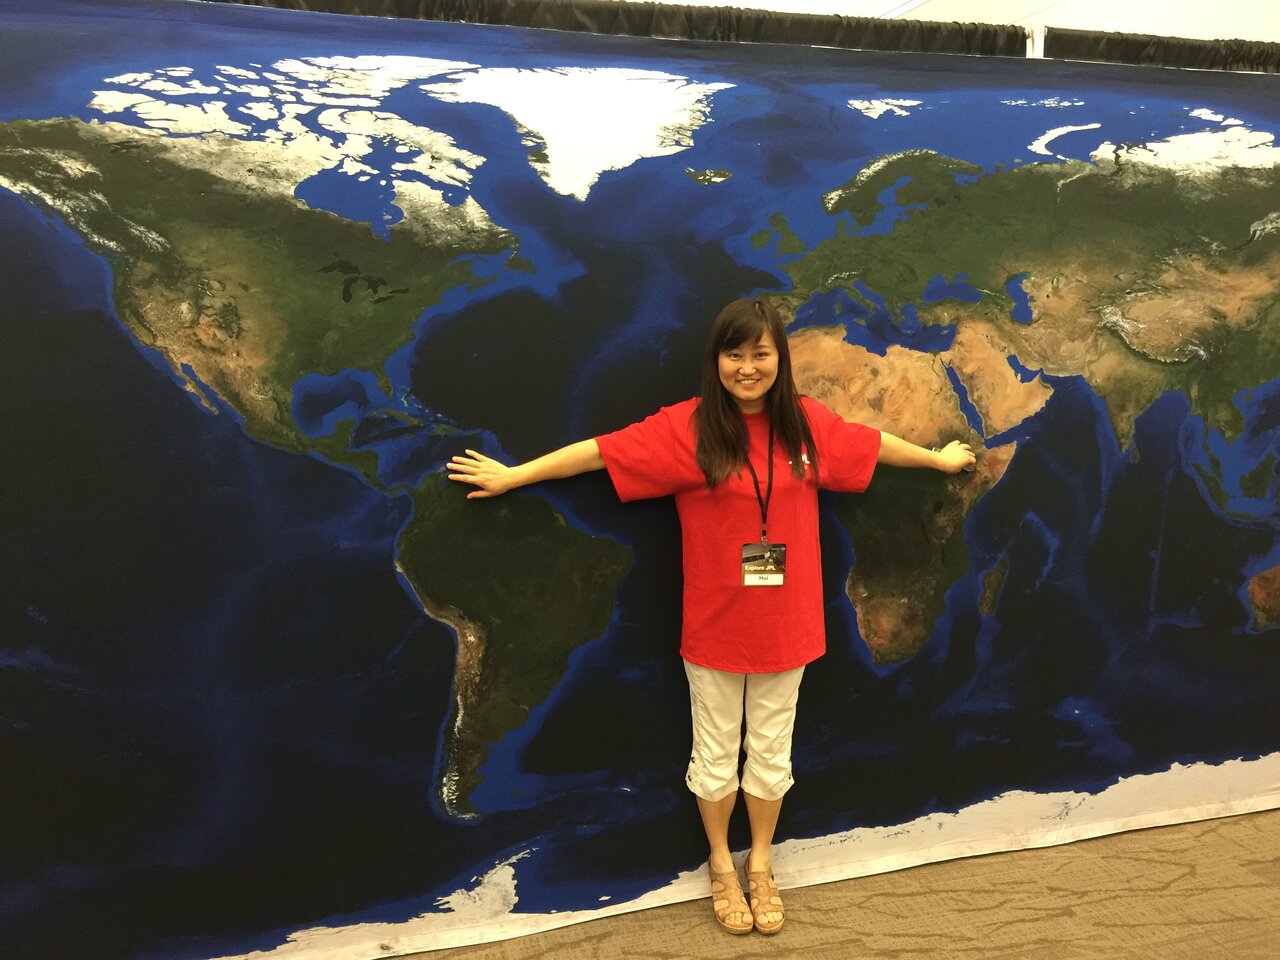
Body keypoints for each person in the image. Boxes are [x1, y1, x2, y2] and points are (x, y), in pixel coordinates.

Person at [447, 298, 975, 935]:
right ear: (716, 360)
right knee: (716, 753)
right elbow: (600, 452)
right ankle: (721, 864)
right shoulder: (688, 429)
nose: (747, 367)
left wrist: (940, 461)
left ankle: (760, 864)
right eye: (735, 354)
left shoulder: (805, 424)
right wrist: (515, 476)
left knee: (773, 757)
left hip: (790, 627)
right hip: (716, 629)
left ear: (778, 358)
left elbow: (873, 445)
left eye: (760, 354)